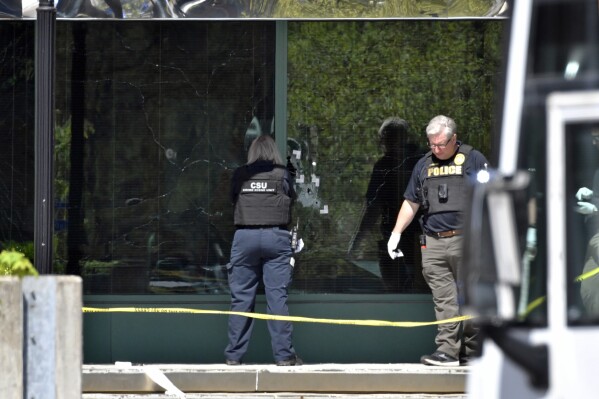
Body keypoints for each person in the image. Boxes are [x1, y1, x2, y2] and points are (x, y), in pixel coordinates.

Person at [387, 115, 488, 366]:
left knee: (472, 298)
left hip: (468, 241)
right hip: (433, 243)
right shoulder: (423, 164)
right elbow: (412, 202)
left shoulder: (474, 159)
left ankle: (474, 352)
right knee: (444, 301)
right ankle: (448, 352)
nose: (436, 149)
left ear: (454, 138)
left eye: (441, 144)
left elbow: (491, 198)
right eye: (431, 144)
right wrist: (396, 233)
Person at [224, 134, 302, 366]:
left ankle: (234, 357)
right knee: (277, 298)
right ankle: (284, 356)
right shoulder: (282, 175)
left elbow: (231, 200)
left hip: (244, 237)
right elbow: (292, 200)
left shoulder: (241, 174)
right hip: (276, 238)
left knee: (241, 299)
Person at [348, 117, 424, 292]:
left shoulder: (387, 165)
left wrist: (357, 241)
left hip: (400, 239)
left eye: (386, 139)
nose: (384, 144)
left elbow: (372, 208)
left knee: (397, 290)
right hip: (416, 237)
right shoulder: (422, 162)